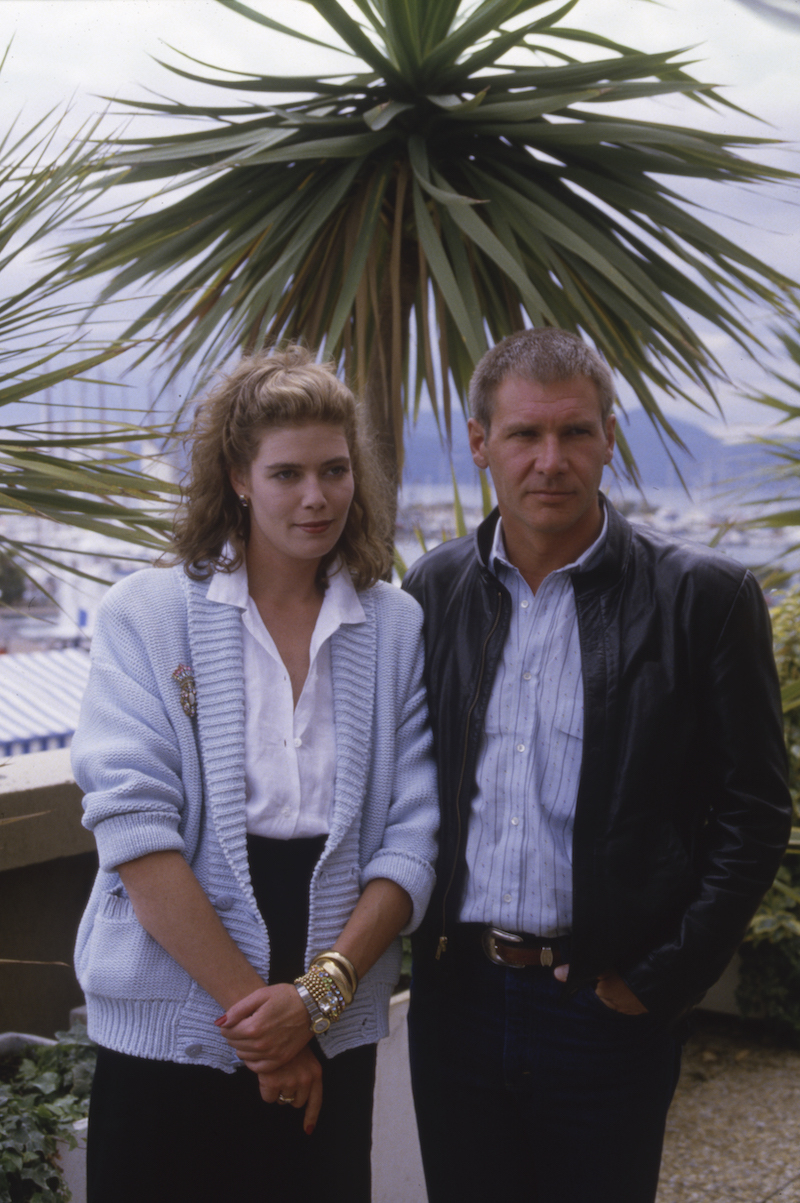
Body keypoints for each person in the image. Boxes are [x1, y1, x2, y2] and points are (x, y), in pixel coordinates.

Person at [402, 327, 792, 1203]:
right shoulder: (435, 591)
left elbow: (755, 812)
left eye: (575, 432)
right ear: (478, 443)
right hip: (456, 1001)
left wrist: (658, 984)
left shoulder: (704, 598)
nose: (551, 460)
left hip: (604, 1007)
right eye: (524, 435)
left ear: (609, 438)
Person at [72, 346, 438, 1203]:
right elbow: (135, 832)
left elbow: (412, 839)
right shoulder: (148, 615)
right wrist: (268, 1027)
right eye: (287, 473)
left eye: (335, 469)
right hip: (171, 1016)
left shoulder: (395, 628)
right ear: (238, 475)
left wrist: (314, 1002)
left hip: (331, 1014)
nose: (316, 496)